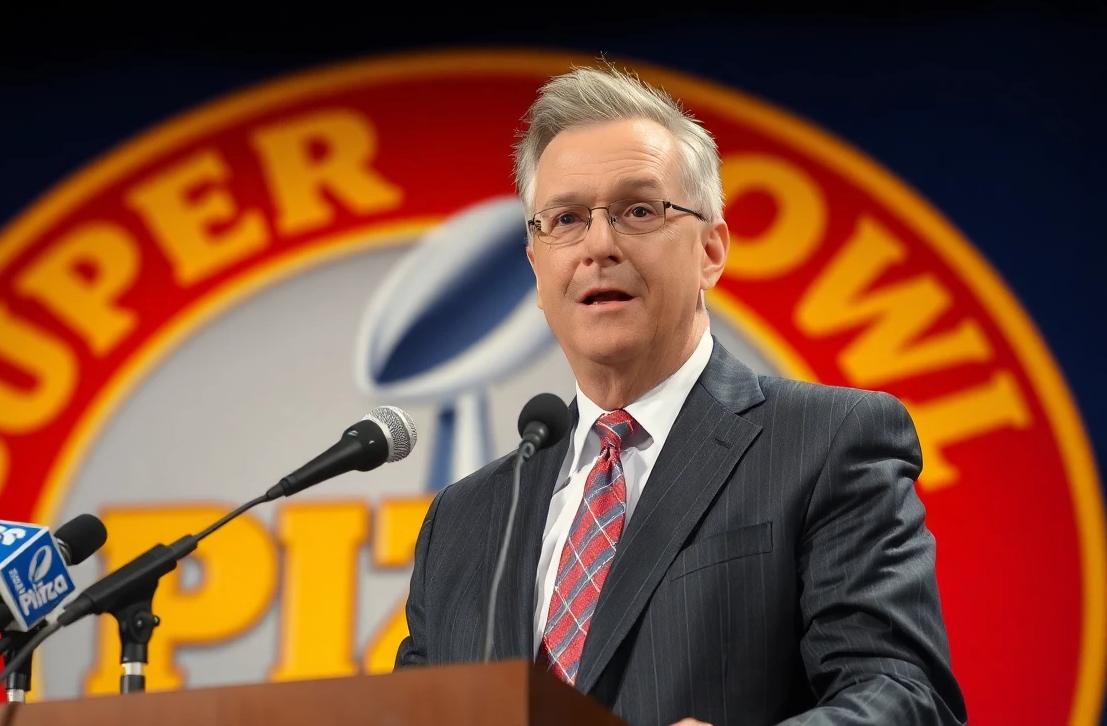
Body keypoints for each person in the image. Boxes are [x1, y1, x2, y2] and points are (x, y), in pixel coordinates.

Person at [394, 63, 966, 726]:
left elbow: (904, 697)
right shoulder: (462, 522)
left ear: (711, 251)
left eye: (638, 210)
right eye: (567, 219)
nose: (599, 244)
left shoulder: (827, 442)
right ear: (537, 267)